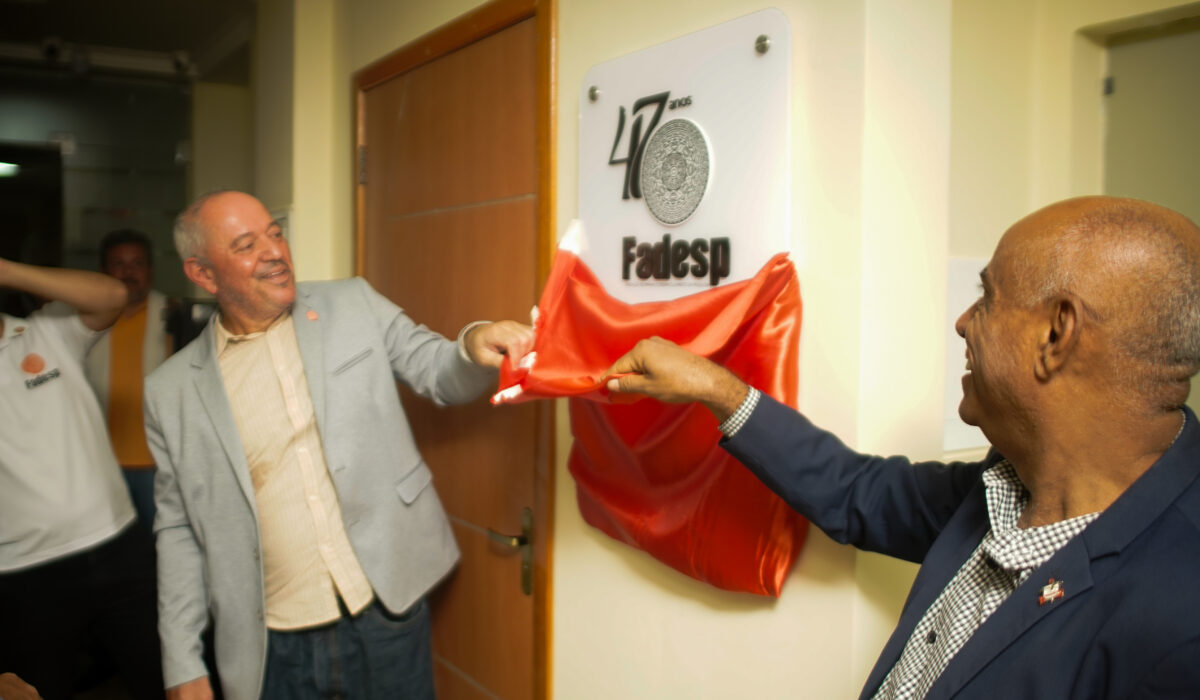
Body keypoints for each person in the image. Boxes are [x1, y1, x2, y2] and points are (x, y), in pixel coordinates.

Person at [605, 196, 1200, 699]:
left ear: (1055, 335)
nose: (963, 321)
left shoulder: (1179, 624)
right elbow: (857, 492)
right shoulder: (1011, 484)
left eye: (987, 298)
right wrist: (716, 388)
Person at [145, 190, 536, 700]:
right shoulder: (172, 390)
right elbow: (178, 529)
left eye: (275, 233)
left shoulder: (352, 303)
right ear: (203, 274)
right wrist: (182, 661)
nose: (273, 251)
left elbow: (438, 370)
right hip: (271, 643)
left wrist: (472, 343)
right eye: (246, 245)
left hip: (385, 610)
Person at [0, 258, 164, 700]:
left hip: (119, 546)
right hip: (25, 572)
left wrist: (7, 270)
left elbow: (113, 296)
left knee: (167, 681)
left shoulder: (44, 331)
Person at [86, 228, 173, 533]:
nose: (128, 272)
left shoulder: (172, 315)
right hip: (101, 463)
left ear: (150, 270)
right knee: (105, 549)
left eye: (137, 263)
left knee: (162, 546)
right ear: (103, 270)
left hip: (159, 464)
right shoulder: (85, 320)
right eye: (118, 264)